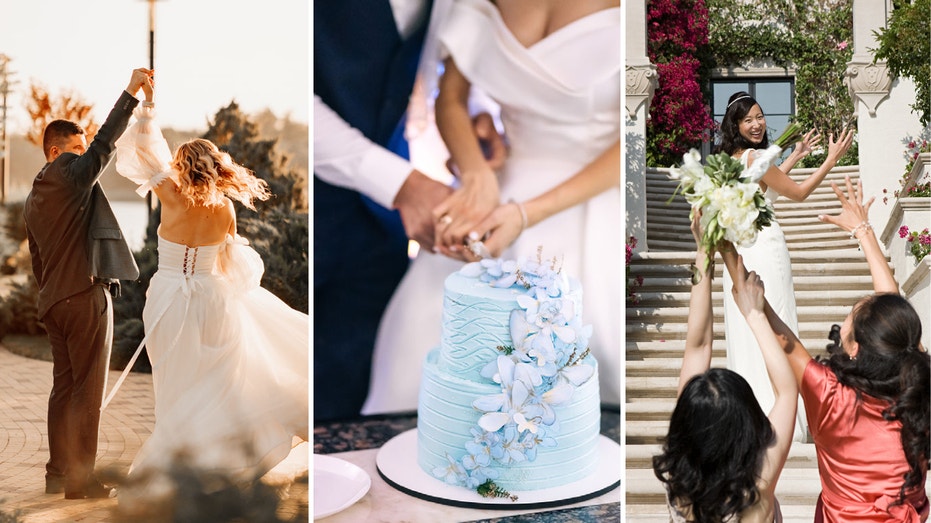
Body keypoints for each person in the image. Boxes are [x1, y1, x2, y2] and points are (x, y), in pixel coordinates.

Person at [363, 0, 622, 414]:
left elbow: (633, 140)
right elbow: (450, 98)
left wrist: (524, 214)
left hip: (596, 198)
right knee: (425, 335)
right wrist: (476, 174)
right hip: (497, 189)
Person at [110, 85, 308, 502]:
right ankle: (214, 461)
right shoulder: (227, 209)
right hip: (214, 299)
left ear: (182, 165)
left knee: (176, 383)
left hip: (169, 301)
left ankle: (181, 460)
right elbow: (229, 263)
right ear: (215, 166)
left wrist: (146, 106)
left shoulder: (170, 193)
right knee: (216, 383)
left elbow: (144, 146)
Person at [741, 176, 929, 521]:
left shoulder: (832, 397)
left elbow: (786, 344)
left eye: (851, 314)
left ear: (855, 348)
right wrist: (863, 230)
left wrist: (733, 264)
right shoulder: (917, 394)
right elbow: (895, 320)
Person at [313, 0, 460, 421]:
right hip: (314, 216)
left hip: (381, 233)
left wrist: (473, 126)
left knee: (355, 399)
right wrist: (401, 185)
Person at [23, 68, 149, 499]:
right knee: (87, 393)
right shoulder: (71, 175)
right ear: (55, 151)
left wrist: (51, 293)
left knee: (63, 389)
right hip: (84, 295)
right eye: (74, 149)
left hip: (54, 301)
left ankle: (57, 473)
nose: (83, 157)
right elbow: (104, 144)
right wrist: (130, 92)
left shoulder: (35, 194)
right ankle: (82, 480)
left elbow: (38, 259)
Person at [715, 90, 854, 441]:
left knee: (753, 330)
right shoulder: (752, 157)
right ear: (736, 125)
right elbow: (800, 192)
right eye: (748, 119)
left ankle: (754, 417)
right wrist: (831, 159)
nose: (757, 123)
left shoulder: (731, 160)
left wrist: (794, 156)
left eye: (760, 116)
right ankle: (786, 418)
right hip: (767, 249)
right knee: (780, 326)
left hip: (743, 255)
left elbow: (764, 186)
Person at [653, 214, 795, 523]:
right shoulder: (759, 483)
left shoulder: (680, 481)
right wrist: (755, 316)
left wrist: (703, 252)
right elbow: (787, 390)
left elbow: (697, 346)